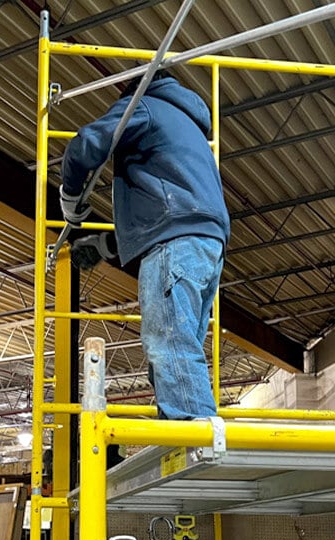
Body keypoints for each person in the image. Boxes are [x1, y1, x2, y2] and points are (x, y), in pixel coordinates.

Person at [60, 70, 230, 419]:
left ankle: (193, 440)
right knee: (179, 347)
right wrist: (107, 246)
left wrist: (69, 193)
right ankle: (183, 429)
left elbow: (87, 144)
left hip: (176, 243)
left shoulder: (145, 106)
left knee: (170, 344)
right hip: (206, 244)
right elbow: (167, 206)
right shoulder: (187, 126)